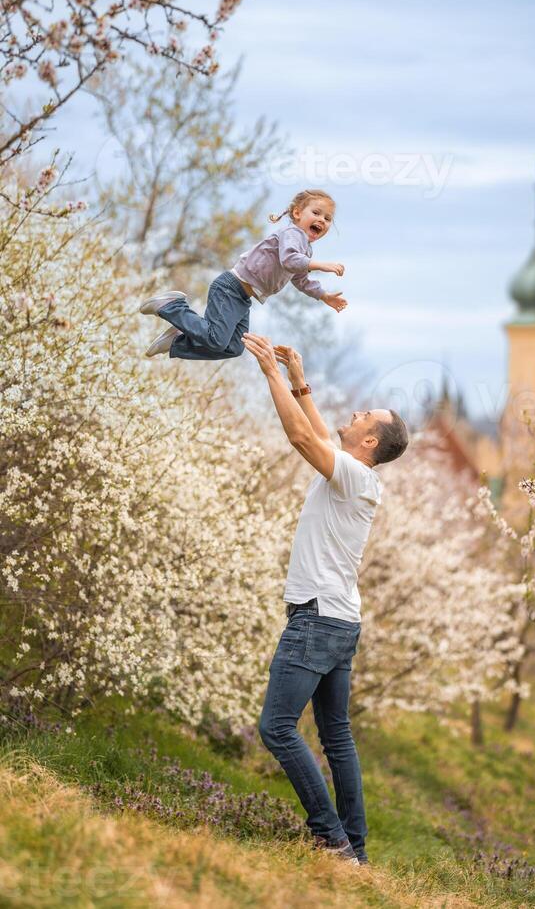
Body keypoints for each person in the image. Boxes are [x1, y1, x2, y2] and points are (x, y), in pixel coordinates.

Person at [242, 333, 409, 867]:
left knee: (276, 728)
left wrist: (269, 370)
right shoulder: (355, 474)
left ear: (369, 444)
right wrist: (299, 378)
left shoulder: (355, 475)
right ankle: (353, 849)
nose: (356, 412)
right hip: (338, 620)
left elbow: (299, 437)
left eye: (365, 415)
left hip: (317, 620)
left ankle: (332, 839)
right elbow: (316, 432)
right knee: (337, 737)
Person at [138, 189, 347, 359]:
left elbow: (301, 280)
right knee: (216, 339)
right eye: (317, 213)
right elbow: (289, 259)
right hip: (231, 287)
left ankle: (177, 342)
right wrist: (320, 265)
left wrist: (323, 295)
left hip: (243, 297)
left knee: (233, 347)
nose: (322, 220)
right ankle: (172, 307)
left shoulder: (306, 250)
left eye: (328, 218)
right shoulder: (292, 234)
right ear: (297, 213)